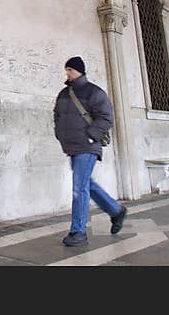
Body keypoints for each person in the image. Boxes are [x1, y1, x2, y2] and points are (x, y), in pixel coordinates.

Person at [53, 56, 126, 246]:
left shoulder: (94, 92)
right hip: (72, 146)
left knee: (79, 188)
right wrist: (59, 134)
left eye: (70, 69)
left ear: (79, 71)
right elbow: (57, 115)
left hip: (87, 145)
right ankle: (116, 210)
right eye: (66, 69)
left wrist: (91, 136)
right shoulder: (64, 93)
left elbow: (106, 117)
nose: (67, 73)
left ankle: (78, 232)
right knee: (86, 184)